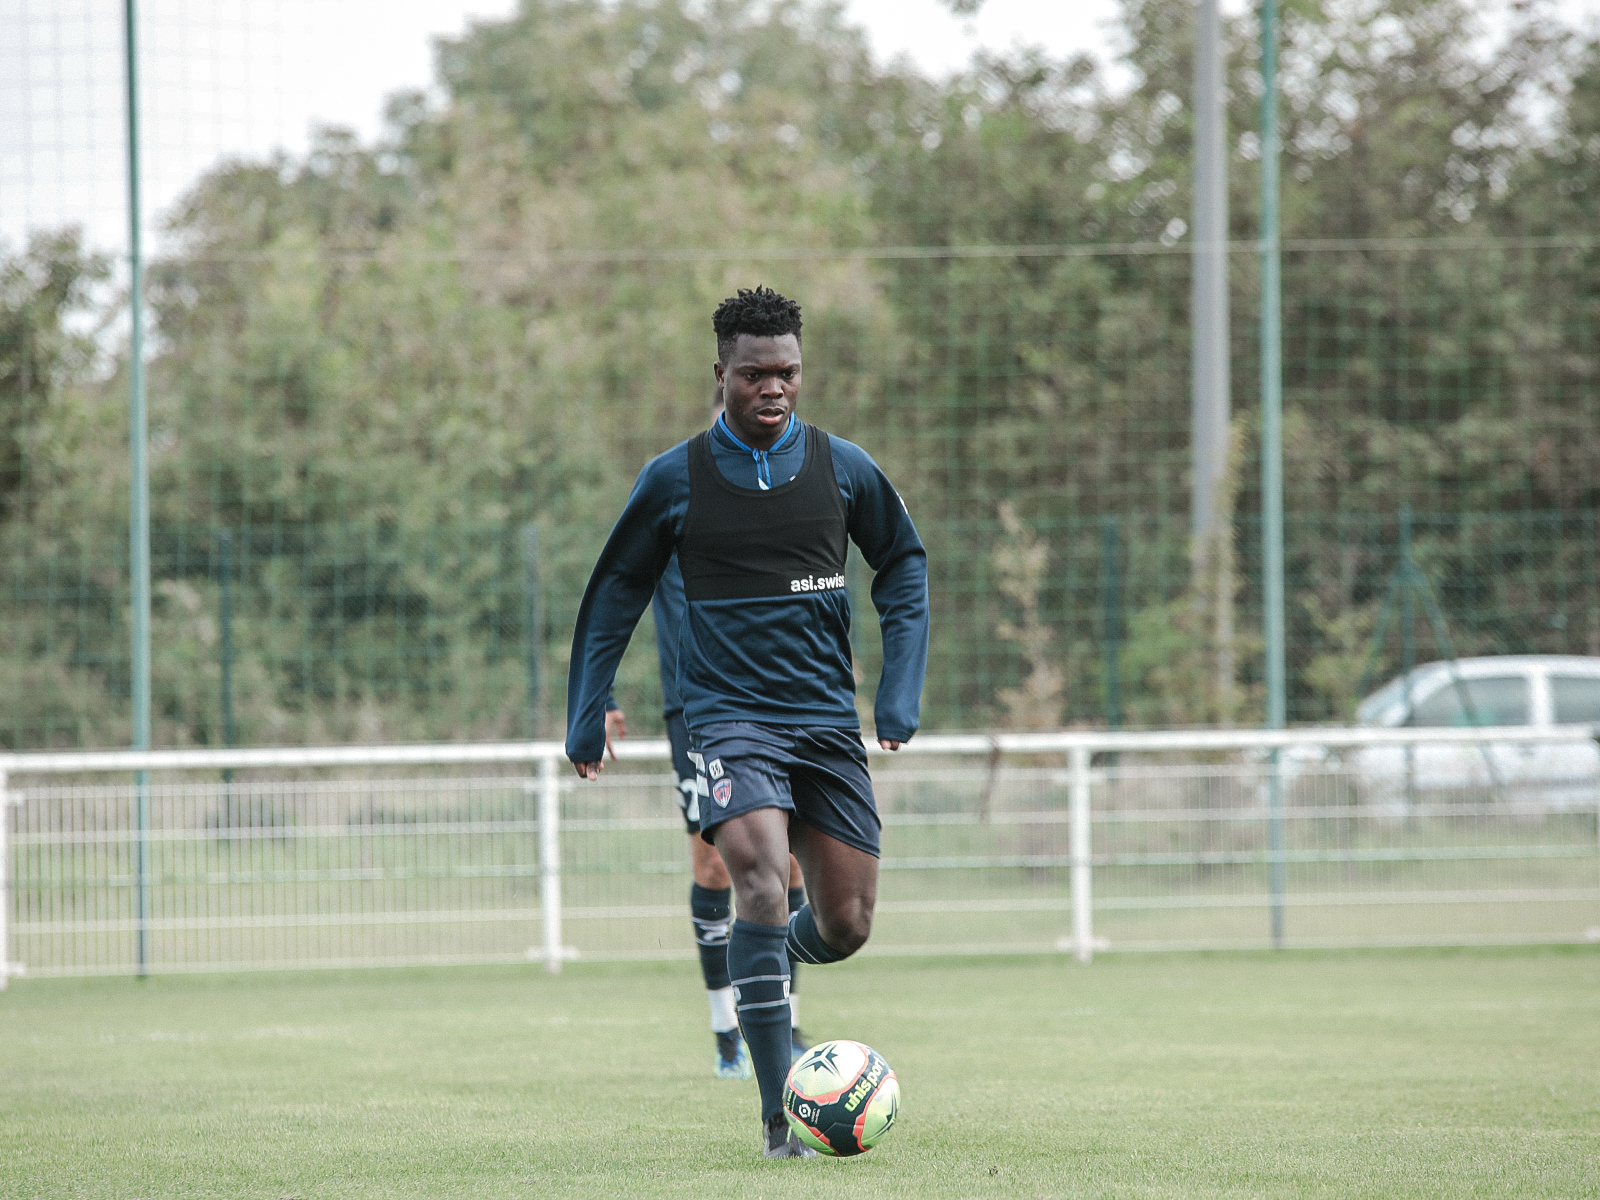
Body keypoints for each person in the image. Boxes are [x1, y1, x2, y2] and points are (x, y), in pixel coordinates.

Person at [566, 286, 929, 1158]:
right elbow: (614, 590)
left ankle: (766, 964)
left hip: (822, 722)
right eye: (755, 374)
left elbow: (904, 566)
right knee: (760, 881)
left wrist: (898, 690)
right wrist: (586, 711)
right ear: (720, 373)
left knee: (846, 924)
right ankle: (780, 1120)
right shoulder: (674, 479)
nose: (774, 389)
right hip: (728, 718)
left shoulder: (843, 468)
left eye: (789, 373)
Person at [602, 395, 812, 1081]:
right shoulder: (673, 492)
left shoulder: (789, 491)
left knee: (793, 865)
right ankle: (727, 1030)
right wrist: (598, 695)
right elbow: (617, 589)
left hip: (786, 701)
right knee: (717, 865)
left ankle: (780, 1015)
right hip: (697, 706)